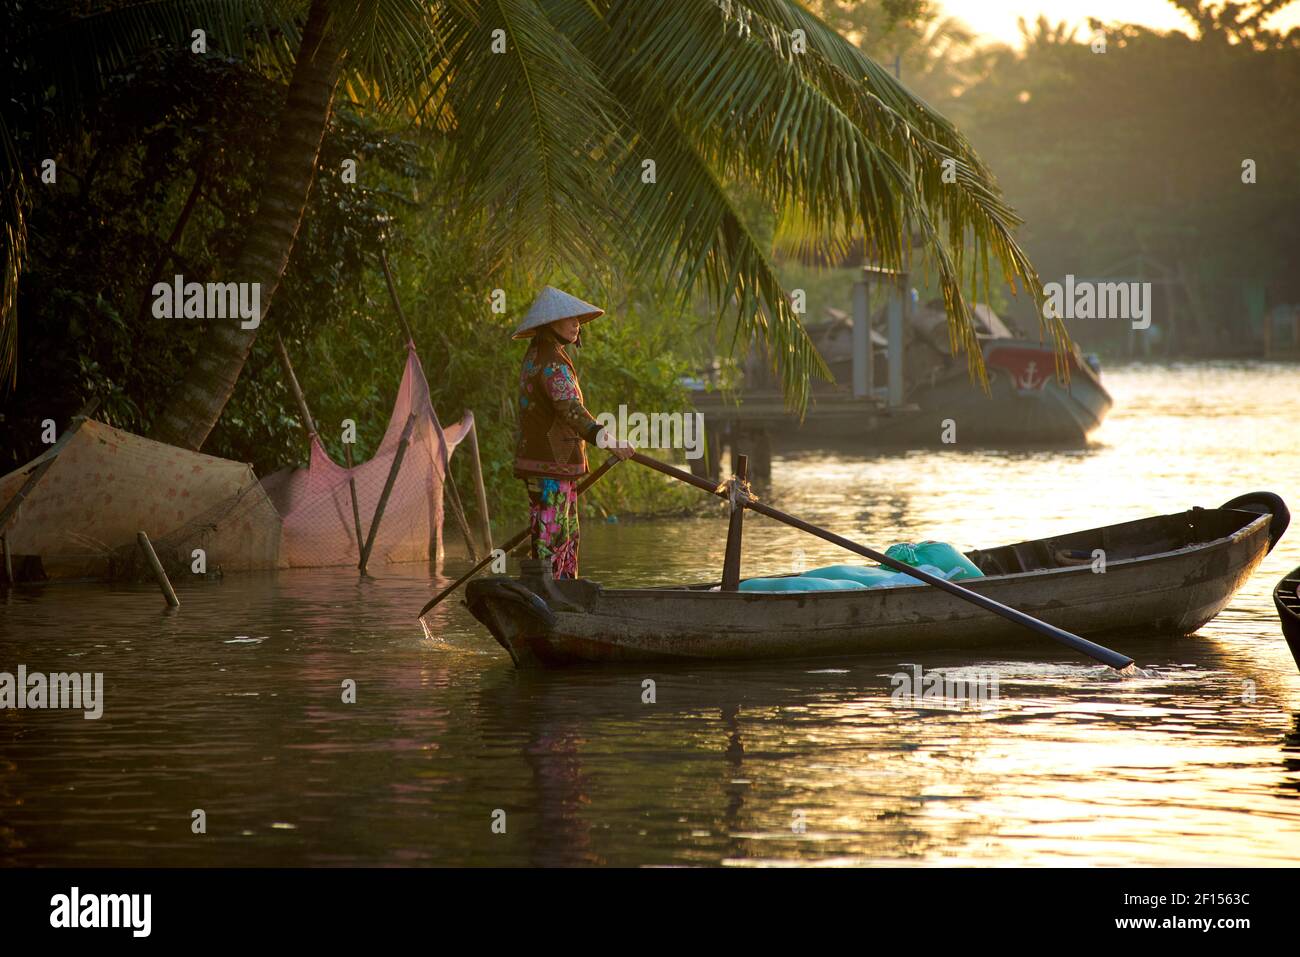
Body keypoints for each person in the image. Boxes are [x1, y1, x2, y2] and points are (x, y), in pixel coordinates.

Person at [512, 286, 635, 579]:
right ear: (551, 323)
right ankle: (552, 595)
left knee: (557, 534)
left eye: (577, 319)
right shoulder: (552, 363)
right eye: (569, 318)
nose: (576, 324)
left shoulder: (538, 356)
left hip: (549, 465)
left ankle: (560, 593)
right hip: (550, 467)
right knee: (554, 538)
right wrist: (609, 441)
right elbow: (571, 410)